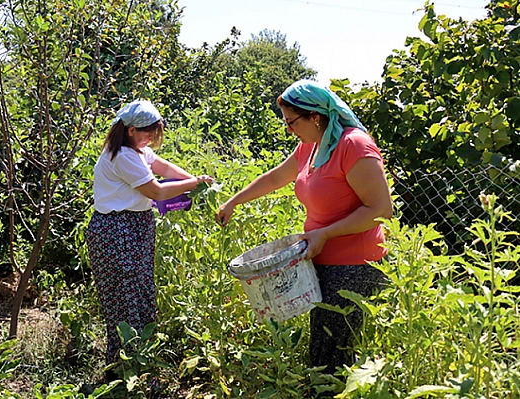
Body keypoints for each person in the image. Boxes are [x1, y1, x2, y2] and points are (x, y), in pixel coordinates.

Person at [217, 80, 393, 375]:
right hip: (320, 257)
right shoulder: (311, 147)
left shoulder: (353, 145)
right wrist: (235, 201)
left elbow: (380, 210)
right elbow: (276, 178)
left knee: (333, 357)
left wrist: (324, 233)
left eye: (292, 122)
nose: (289, 130)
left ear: (316, 116)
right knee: (324, 349)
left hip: (353, 264)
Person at [86, 100, 213, 365]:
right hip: (116, 231)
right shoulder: (122, 155)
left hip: (134, 228)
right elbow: (156, 191)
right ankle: (126, 366)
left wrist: (193, 181)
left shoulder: (137, 151)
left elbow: (164, 168)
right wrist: (194, 183)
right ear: (130, 130)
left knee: (139, 293)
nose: (151, 139)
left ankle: (133, 364)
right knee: (126, 297)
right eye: (147, 133)